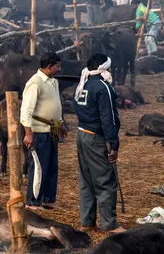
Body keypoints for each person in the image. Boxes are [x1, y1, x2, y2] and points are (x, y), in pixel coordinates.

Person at [74, 53, 124, 233]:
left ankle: (87, 222)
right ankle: (109, 224)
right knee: (105, 180)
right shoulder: (104, 88)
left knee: (86, 180)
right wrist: (113, 143)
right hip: (96, 137)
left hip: (81, 135)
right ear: (104, 68)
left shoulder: (83, 83)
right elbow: (108, 118)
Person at [20, 52, 67, 210]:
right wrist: (28, 133)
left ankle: (48, 199)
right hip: (39, 131)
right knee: (39, 166)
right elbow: (26, 110)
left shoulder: (53, 82)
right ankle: (33, 201)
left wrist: (61, 124)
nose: (59, 69)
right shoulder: (35, 83)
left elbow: (55, 106)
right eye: (57, 66)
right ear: (49, 66)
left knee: (52, 165)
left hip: (52, 129)